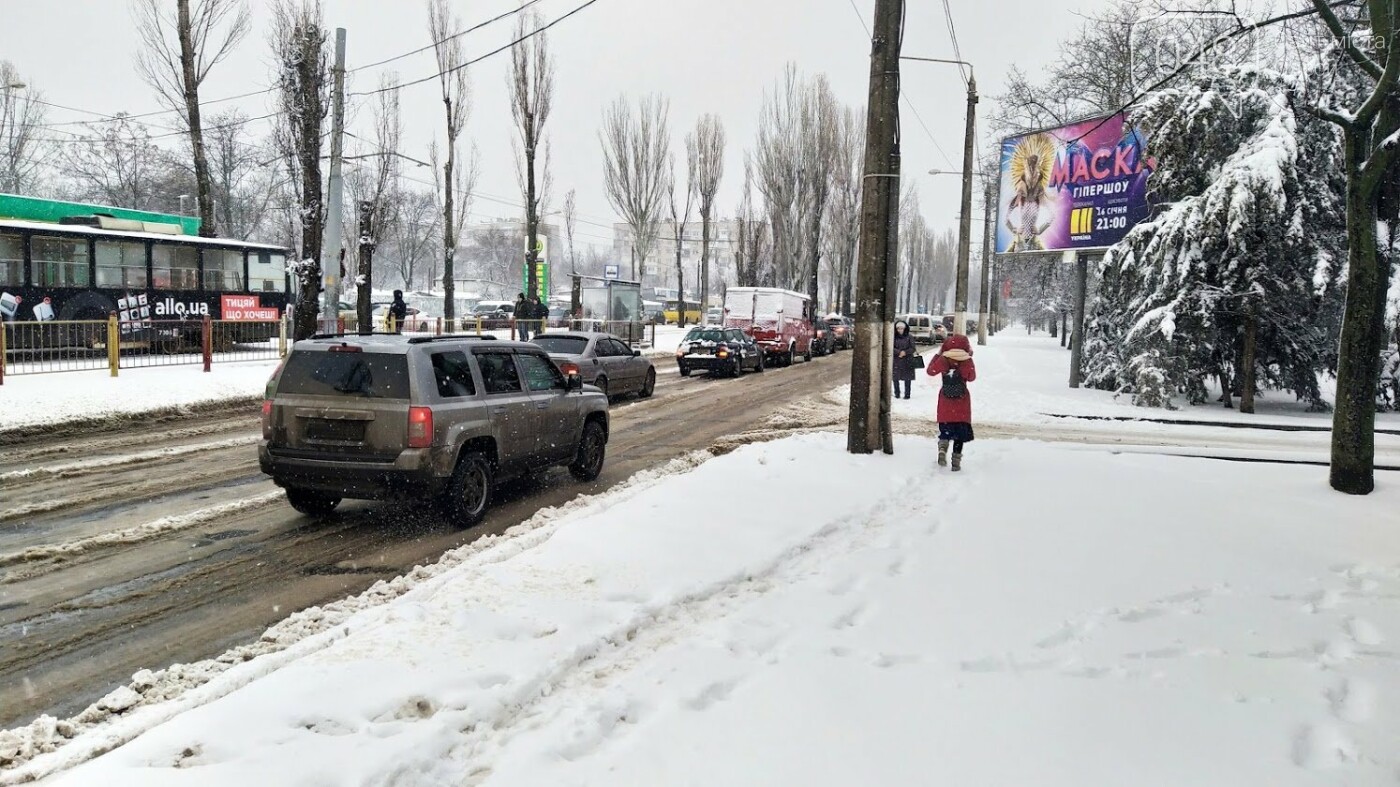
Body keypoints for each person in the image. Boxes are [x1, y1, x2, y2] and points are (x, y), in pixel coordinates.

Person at [926, 333, 977, 471]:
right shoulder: (967, 360)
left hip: (946, 401)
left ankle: (942, 448)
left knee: (946, 430)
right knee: (960, 435)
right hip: (962, 402)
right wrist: (968, 358)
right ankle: (956, 462)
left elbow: (930, 371)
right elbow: (971, 377)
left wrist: (939, 355)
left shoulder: (944, 359)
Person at [892, 320, 919, 399]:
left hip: (907, 360)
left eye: (901, 328)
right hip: (896, 359)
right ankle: (897, 393)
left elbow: (913, 348)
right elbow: (891, 347)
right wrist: (898, 352)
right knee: (895, 378)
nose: (900, 330)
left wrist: (905, 352)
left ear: (905, 328)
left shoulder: (909, 336)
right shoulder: (893, 336)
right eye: (898, 328)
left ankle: (907, 394)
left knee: (907, 378)